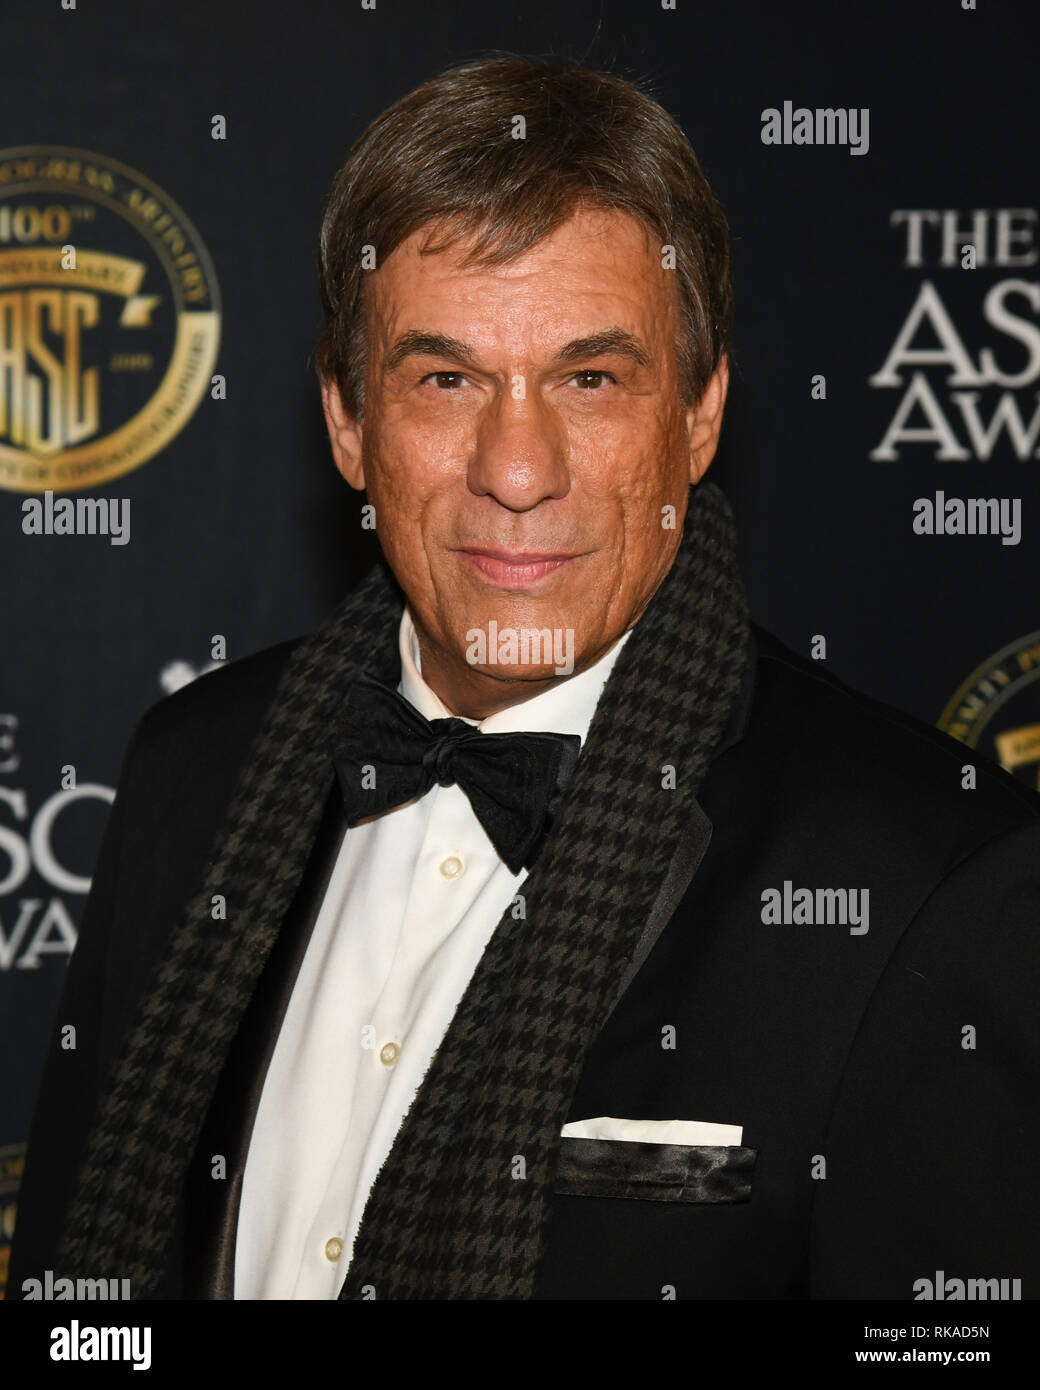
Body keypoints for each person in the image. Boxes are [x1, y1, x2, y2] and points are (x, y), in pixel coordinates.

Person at [11, 55, 1040, 1303]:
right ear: (346, 420)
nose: (515, 467)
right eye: (444, 378)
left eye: (589, 379)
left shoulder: (929, 871)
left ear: (700, 414)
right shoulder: (193, 767)